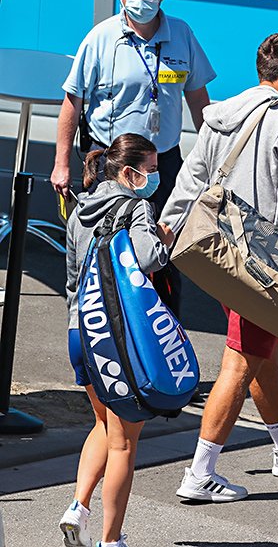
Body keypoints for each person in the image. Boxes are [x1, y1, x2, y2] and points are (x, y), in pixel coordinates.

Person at [159, 33, 278, 502]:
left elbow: (192, 174)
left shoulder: (223, 113)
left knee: (260, 351)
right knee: (240, 361)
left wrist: (167, 226)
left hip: (219, 255)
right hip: (265, 263)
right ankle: (200, 472)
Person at [52, 0, 215, 318]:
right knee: (100, 247)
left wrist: (211, 163)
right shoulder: (101, 38)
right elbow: (72, 102)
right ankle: (99, 335)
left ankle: (162, 335)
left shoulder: (182, 35)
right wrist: (61, 163)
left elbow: (199, 104)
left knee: (162, 250)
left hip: (162, 162)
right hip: (109, 161)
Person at [60, 133, 169, 547]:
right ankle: (111, 540)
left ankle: (78, 507)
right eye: (152, 170)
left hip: (79, 330)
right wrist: (165, 240)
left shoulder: (79, 210)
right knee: (125, 442)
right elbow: (148, 258)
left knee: (103, 424)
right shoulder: (137, 206)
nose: (156, 177)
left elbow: (71, 280)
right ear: (129, 172)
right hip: (119, 338)